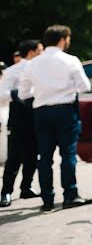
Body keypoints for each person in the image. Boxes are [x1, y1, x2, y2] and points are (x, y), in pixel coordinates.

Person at [18, 25, 92, 211]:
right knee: (67, 154)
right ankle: (70, 195)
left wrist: (42, 91)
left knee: (45, 157)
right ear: (62, 39)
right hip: (65, 111)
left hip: (41, 113)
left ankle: (47, 200)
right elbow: (84, 86)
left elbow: (23, 93)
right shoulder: (70, 60)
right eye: (68, 39)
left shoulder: (31, 64)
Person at [0, 39, 43, 207]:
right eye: (40, 50)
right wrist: (22, 93)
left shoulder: (42, 68)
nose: (43, 53)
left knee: (33, 155)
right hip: (18, 117)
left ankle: (26, 187)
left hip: (37, 115)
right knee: (14, 157)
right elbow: (2, 94)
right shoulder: (13, 71)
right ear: (32, 52)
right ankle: (6, 192)